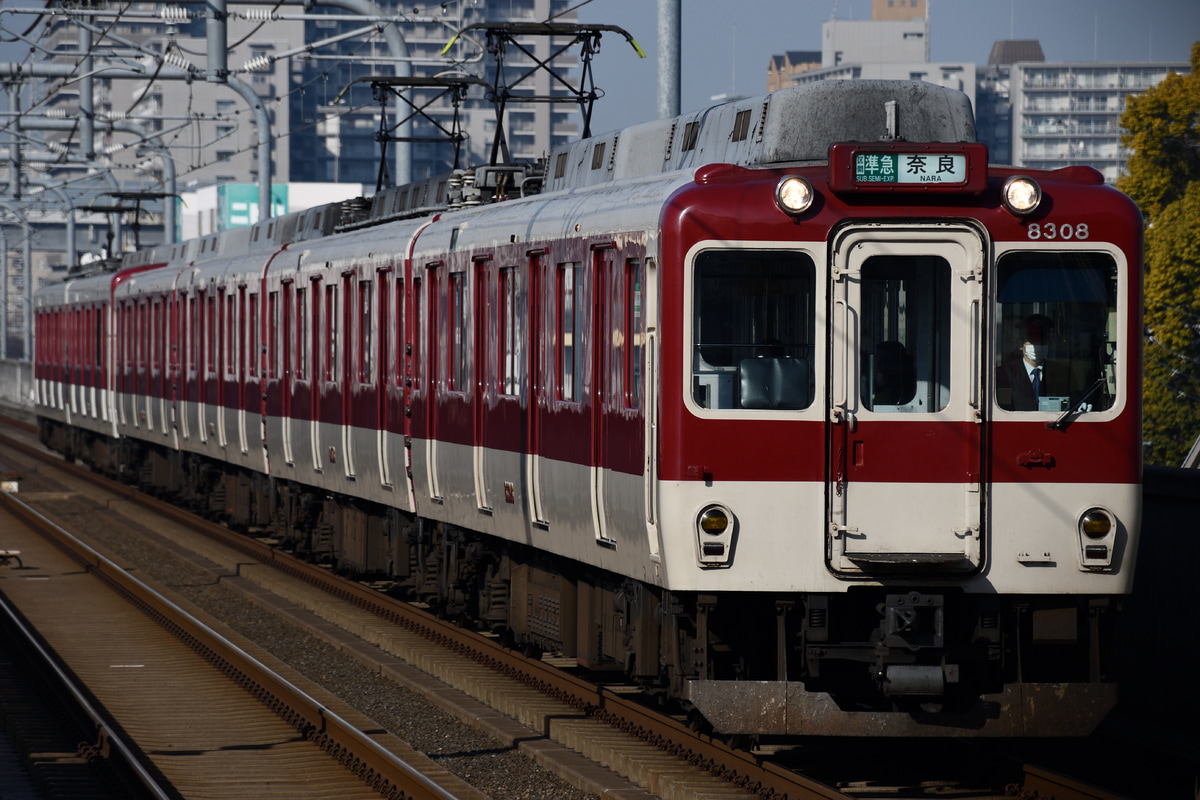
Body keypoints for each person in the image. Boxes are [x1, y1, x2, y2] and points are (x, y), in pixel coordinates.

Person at [996, 314, 1066, 411]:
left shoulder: (1063, 373)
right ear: (1020, 344)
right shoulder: (1005, 374)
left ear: (1049, 344)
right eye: (1032, 341)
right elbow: (1003, 409)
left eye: (1042, 341)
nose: (1038, 345)